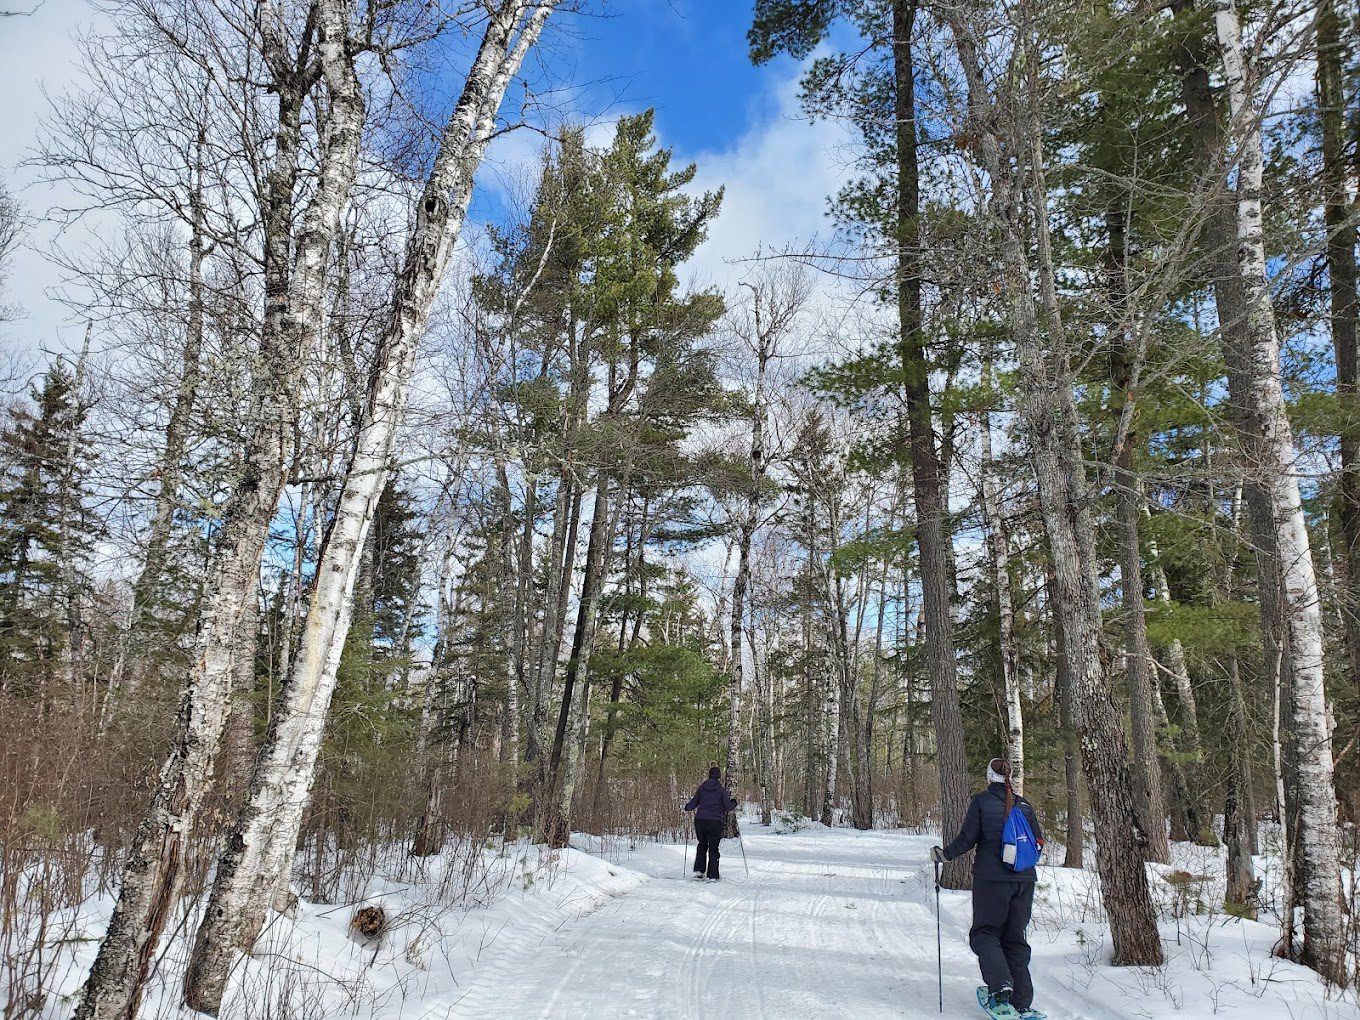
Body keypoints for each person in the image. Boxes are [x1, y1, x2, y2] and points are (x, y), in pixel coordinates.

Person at [932, 757, 1045, 1020]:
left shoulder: (981, 802)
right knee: (1015, 939)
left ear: (988, 777)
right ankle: (1022, 1000)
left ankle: (1001, 987)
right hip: (1024, 881)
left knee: (985, 933)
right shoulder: (1024, 805)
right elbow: (1039, 842)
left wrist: (943, 856)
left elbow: (967, 839)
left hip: (991, 880)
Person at [684, 765, 737, 881]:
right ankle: (712, 875)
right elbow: (728, 806)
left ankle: (699, 871)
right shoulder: (721, 790)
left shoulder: (702, 788)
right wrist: (734, 803)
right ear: (719, 777)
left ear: (709, 775)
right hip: (715, 821)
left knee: (702, 845)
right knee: (713, 847)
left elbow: (693, 804)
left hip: (700, 821)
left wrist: (687, 807)